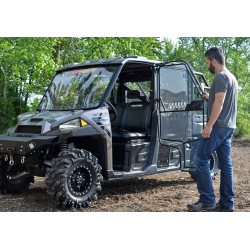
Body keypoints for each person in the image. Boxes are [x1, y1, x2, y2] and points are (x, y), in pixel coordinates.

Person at [187, 47, 238, 212]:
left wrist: (208, 126)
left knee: (201, 159)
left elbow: (220, 103)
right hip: (229, 127)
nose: (207, 65)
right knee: (226, 165)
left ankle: (207, 199)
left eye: (207, 62)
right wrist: (209, 97)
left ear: (213, 61)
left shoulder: (220, 77)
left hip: (218, 127)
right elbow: (220, 99)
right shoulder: (231, 77)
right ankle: (226, 203)